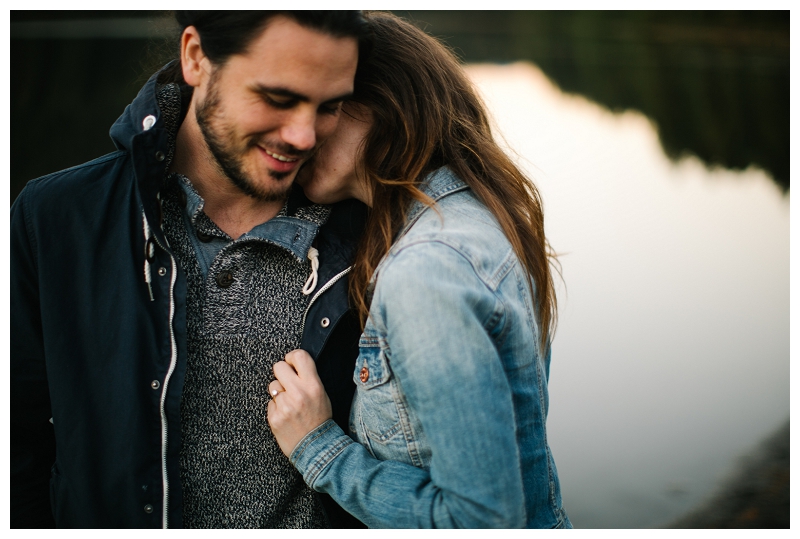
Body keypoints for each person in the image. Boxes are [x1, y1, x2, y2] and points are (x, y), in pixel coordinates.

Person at [11, 11, 372, 528]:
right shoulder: (56, 217)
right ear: (196, 57)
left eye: (329, 106)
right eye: (277, 97)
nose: (303, 135)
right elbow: (17, 452)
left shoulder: (374, 235)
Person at [266, 12, 572, 528]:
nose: (299, 133)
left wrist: (320, 450)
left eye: (329, 106)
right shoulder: (486, 217)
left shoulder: (425, 274)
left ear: (387, 107)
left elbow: (480, 522)